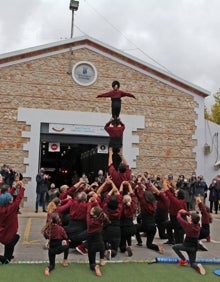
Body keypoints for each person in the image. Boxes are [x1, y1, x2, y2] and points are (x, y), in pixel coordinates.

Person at [172, 209, 206, 275]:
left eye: (190, 217)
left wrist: (179, 212)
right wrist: (187, 213)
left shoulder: (187, 225)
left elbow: (179, 218)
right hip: (194, 248)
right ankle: (197, 266)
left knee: (174, 247)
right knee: (192, 263)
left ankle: (183, 260)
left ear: (191, 220)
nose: (188, 217)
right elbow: (195, 218)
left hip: (186, 246)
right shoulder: (198, 226)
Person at [0, 181, 25, 264]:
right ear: (8, 201)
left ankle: (8, 256)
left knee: (13, 239)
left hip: (2, 232)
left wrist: (14, 187)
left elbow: (5, 197)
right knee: (13, 239)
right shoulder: (11, 208)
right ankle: (5, 258)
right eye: (10, 199)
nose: (12, 199)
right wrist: (22, 188)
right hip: (8, 232)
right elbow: (18, 198)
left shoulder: (2, 206)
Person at [86, 196, 108, 277]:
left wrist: (89, 202)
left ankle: (95, 266)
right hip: (99, 242)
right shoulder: (101, 218)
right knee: (101, 244)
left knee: (91, 262)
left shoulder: (90, 222)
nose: (91, 209)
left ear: (93, 214)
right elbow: (100, 210)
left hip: (91, 241)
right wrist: (96, 202)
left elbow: (87, 213)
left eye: (92, 210)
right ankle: (102, 259)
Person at [119, 181, 136, 257]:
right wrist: (129, 185)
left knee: (122, 244)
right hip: (130, 226)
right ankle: (129, 245)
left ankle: (125, 248)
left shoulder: (122, 206)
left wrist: (122, 185)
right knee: (128, 237)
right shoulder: (132, 206)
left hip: (123, 226)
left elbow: (119, 195)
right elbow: (132, 195)